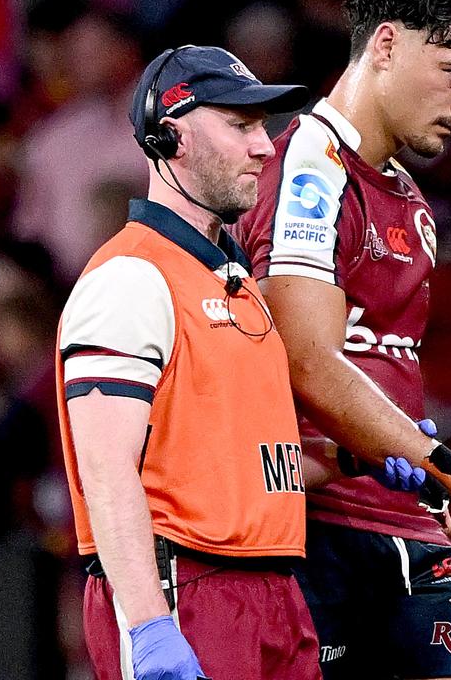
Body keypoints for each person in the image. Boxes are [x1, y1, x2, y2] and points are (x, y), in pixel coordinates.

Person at [232, 0, 451, 680]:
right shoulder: (308, 164)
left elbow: (382, 364)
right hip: (318, 533)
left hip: (412, 531)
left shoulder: (409, 200)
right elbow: (308, 358)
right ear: (387, 44)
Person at [56, 45, 324, 680]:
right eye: (241, 125)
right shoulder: (130, 277)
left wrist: (357, 460)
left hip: (271, 588)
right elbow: (105, 469)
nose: (265, 147)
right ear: (168, 135)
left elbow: (242, 470)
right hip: (185, 587)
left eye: (263, 127)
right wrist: (149, 628)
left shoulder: (237, 285)